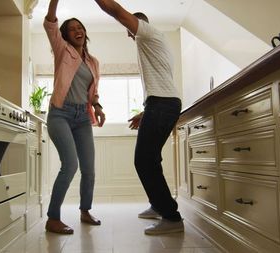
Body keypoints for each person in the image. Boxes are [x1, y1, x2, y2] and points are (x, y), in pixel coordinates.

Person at [93, 0, 184, 235]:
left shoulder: (147, 32)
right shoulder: (153, 42)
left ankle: (172, 218)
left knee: (144, 160)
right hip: (161, 102)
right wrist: (147, 111)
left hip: (163, 103)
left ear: (137, 25)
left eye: (129, 30)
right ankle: (158, 205)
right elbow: (161, 82)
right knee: (151, 159)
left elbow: (113, 9)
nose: (129, 36)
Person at [43, 0, 106, 234]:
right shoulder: (62, 50)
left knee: (89, 169)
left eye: (80, 27)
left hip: (82, 117)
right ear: (66, 36)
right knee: (70, 165)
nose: (78, 31)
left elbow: (93, 91)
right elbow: (50, 23)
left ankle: (85, 210)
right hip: (60, 113)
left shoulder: (93, 62)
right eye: (72, 29)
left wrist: (97, 106)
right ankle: (53, 218)